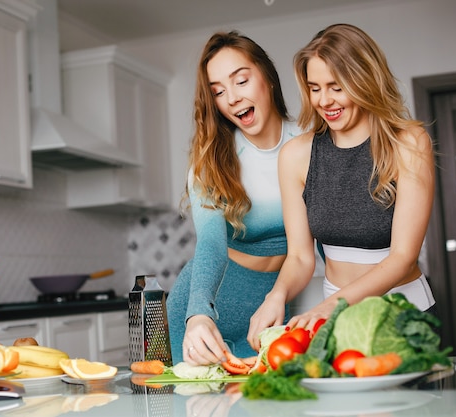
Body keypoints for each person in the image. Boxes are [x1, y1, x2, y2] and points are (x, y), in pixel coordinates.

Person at [248, 23, 436, 350]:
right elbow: (300, 258)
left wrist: (330, 307)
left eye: (336, 87)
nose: (324, 100)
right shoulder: (295, 156)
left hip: (404, 314)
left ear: (364, 80)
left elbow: (403, 257)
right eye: (314, 88)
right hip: (337, 319)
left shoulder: (409, 143)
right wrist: (275, 296)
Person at [167, 30, 303, 365]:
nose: (231, 98)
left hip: (274, 305)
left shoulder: (309, 144)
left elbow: (329, 239)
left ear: (267, 78)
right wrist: (197, 314)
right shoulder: (210, 159)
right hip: (207, 309)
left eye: (241, 80)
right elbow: (211, 245)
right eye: (218, 92)